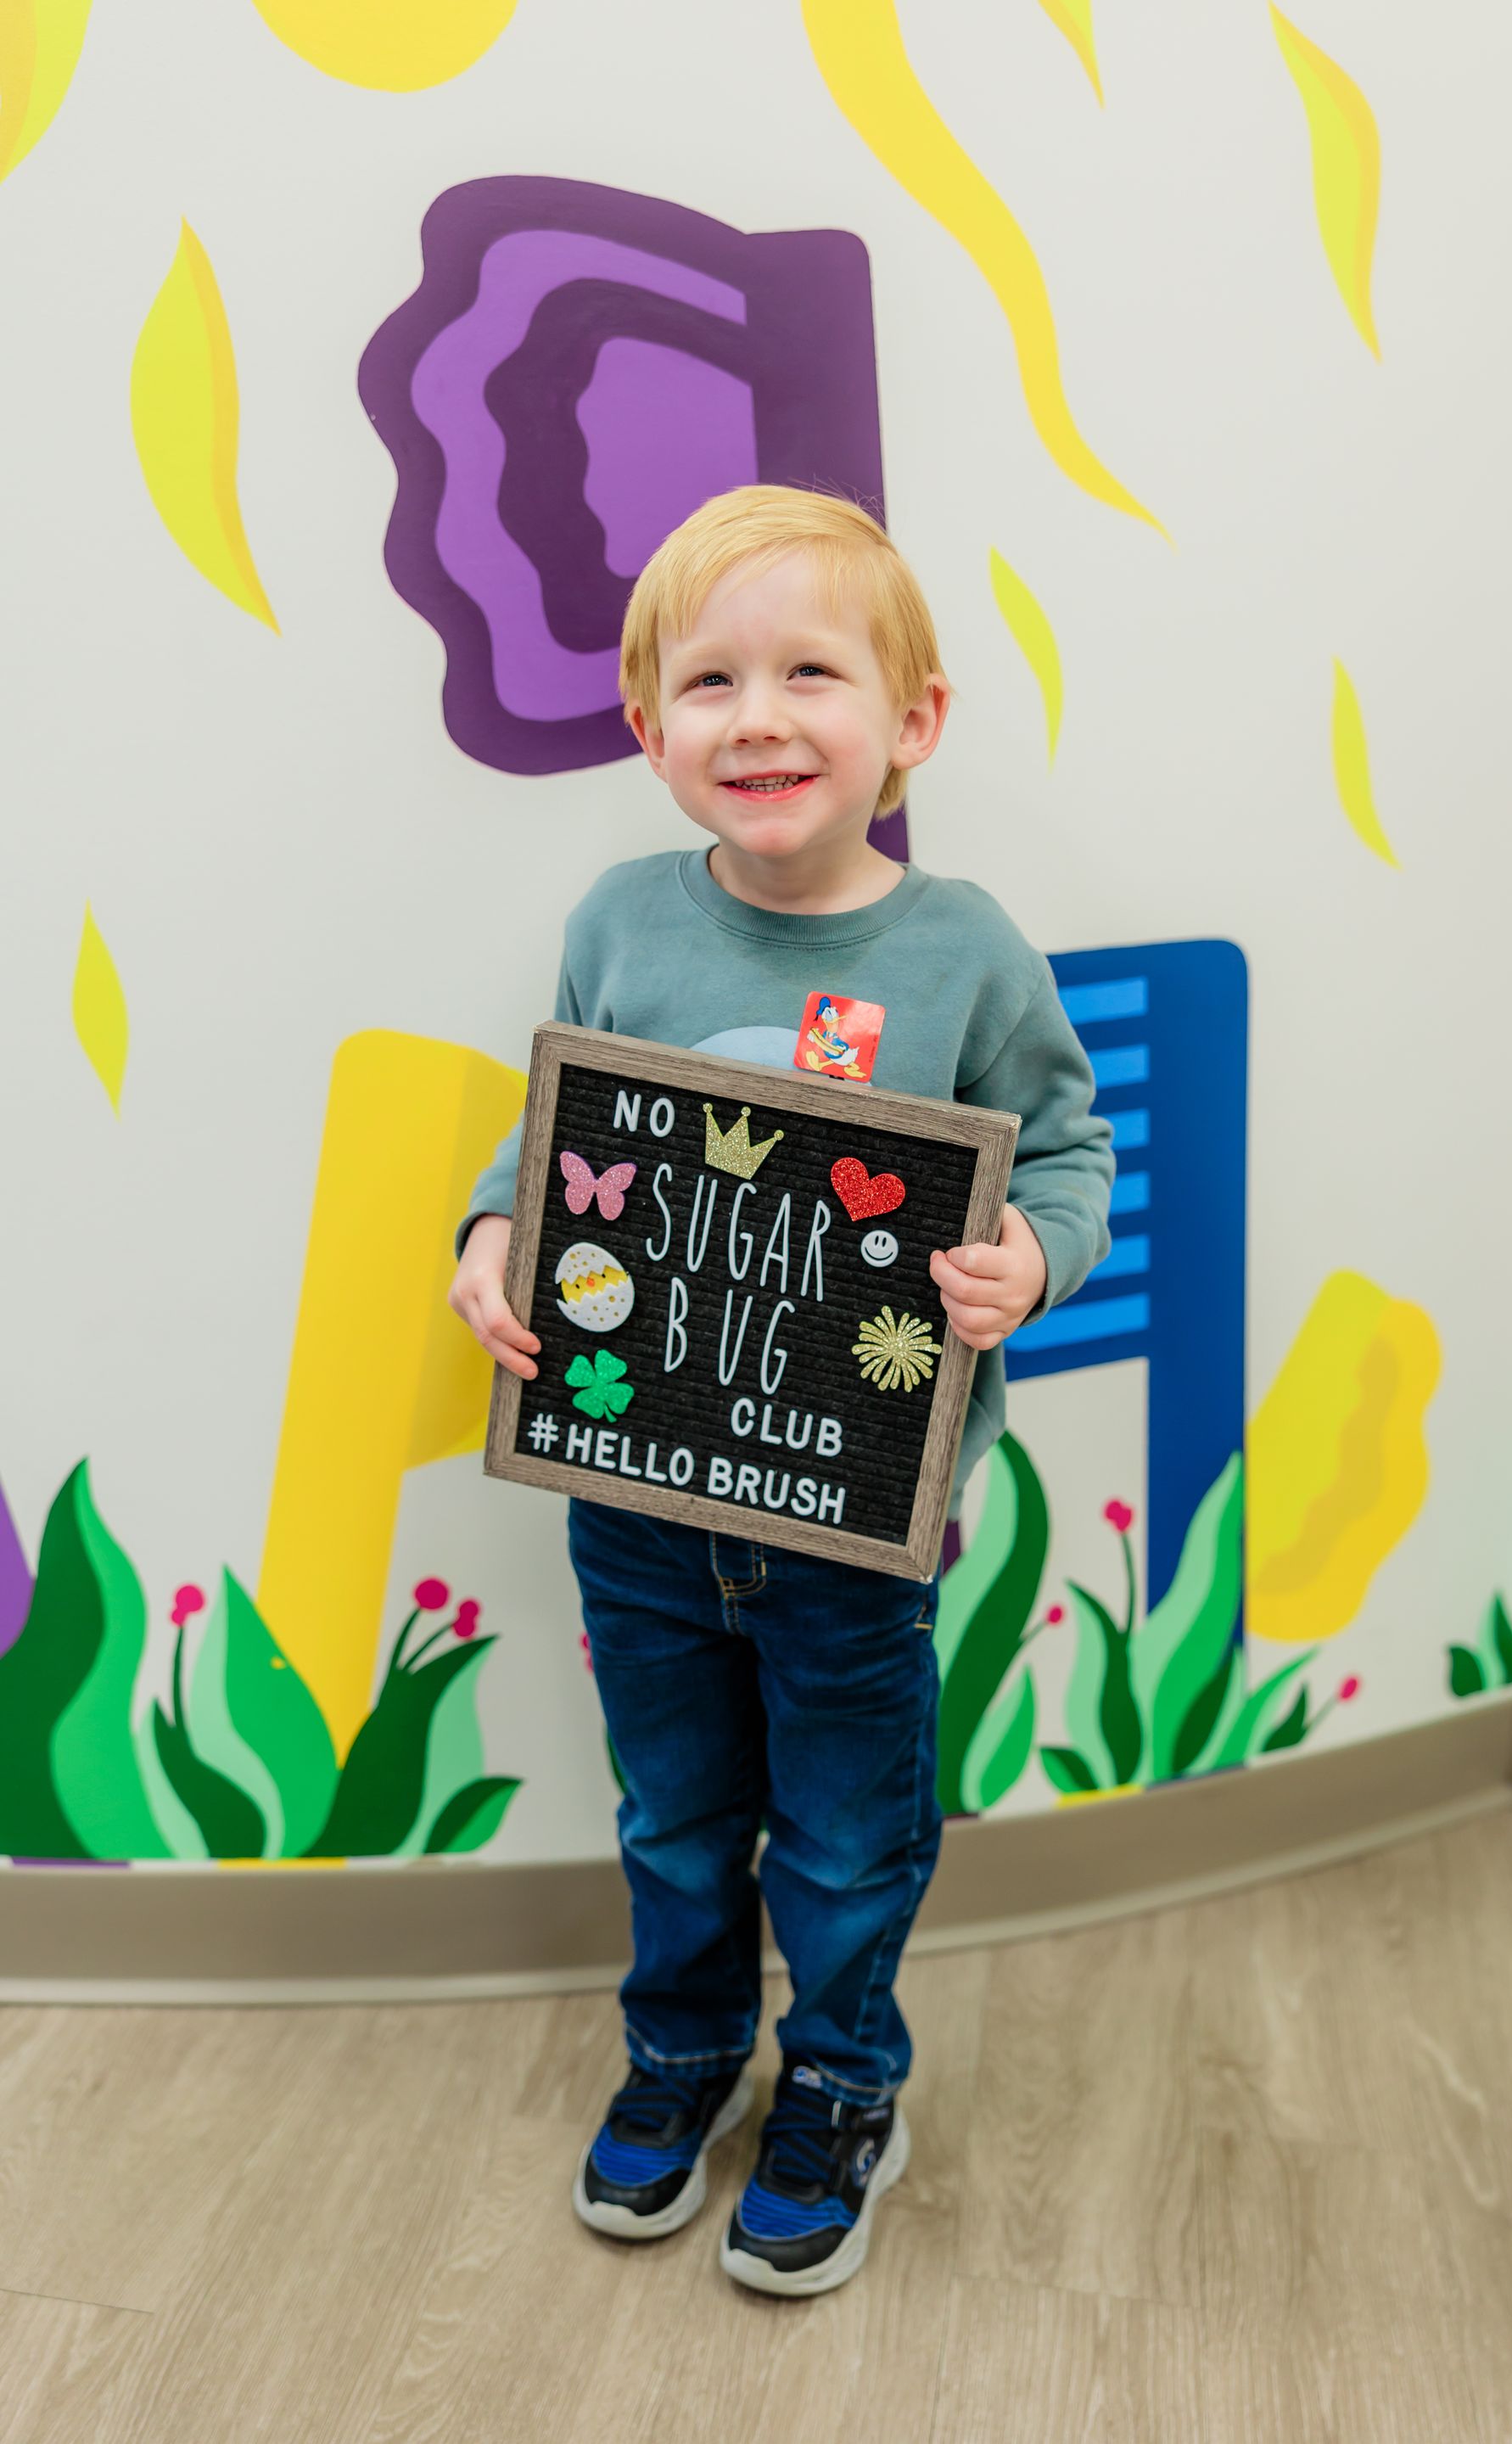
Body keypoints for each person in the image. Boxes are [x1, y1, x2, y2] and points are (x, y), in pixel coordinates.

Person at [448, 485, 1115, 2298]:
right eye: (709, 680)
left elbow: (1063, 1159)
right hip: (640, 1506)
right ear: (648, 728)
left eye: (811, 672)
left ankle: (836, 2081)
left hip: (852, 1525)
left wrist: (1032, 1265)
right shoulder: (620, 921)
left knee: (842, 1828)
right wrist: (493, 1237)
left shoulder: (963, 949)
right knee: (671, 1813)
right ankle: (679, 2057)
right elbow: (551, 1135)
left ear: (914, 720)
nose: (759, 716)